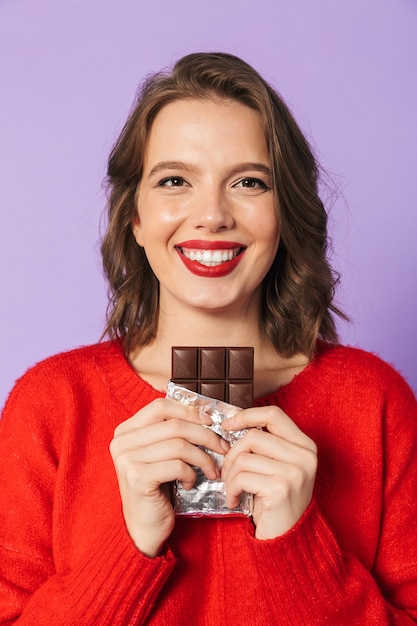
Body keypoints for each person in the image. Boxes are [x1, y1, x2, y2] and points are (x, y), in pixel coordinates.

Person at [0, 52, 416, 625]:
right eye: (174, 180)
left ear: (285, 213)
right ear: (136, 218)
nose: (212, 214)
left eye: (248, 182)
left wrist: (296, 543)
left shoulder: (375, 403)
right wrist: (130, 544)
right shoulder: (53, 404)